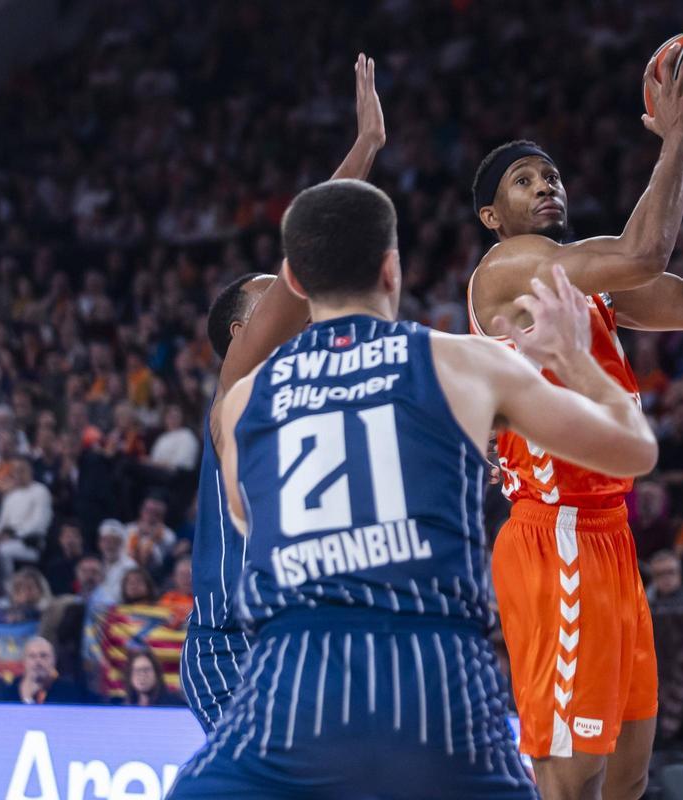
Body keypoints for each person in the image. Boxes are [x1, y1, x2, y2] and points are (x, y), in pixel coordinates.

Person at [168, 180, 655, 799]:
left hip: (293, 690)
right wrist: (575, 358)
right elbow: (634, 448)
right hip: (432, 695)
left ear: (297, 284)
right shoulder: (461, 364)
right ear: (392, 271)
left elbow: (244, 514)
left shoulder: (240, 404)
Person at [465, 39, 683, 796]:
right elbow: (643, 249)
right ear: (491, 214)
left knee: (629, 777)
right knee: (572, 780)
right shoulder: (505, 271)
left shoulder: (585, 286)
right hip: (552, 531)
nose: (545, 186)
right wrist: (677, 138)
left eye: (551, 175)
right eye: (523, 181)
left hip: (610, 537)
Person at [180, 53, 387, 735]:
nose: (293, 298)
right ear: (244, 329)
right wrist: (364, 148)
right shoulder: (238, 386)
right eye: (270, 296)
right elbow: (310, 257)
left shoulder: (322, 391)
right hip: (235, 648)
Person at [4, 636, 88, 705]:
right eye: (32, 656)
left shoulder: (69, 692)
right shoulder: (8, 692)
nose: (38, 661)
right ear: (24, 661)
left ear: (54, 660)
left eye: (43, 656)